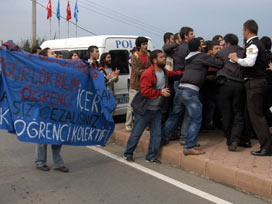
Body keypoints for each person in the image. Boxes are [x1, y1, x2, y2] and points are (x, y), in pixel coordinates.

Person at [162, 38, 223, 155]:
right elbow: (219, 64)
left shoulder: (188, 57)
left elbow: (195, 71)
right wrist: (218, 54)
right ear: (199, 48)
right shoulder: (202, 56)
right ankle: (189, 146)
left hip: (181, 88)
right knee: (196, 119)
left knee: (174, 115)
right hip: (191, 91)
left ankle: (162, 138)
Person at [124, 50, 183, 163]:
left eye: (164, 57)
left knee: (156, 135)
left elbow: (174, 74)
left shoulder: (164, 72)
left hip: (156, 110)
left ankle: (151, 156)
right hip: (144, 109)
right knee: (137, 133)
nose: (164, 59)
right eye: (162, 57)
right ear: (155, 60)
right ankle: (128, 154)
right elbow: (145, 91)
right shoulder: (148, 74)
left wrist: (187, 72)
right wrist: (160, 93)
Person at [229, 19, 272, 156]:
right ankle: (266, 145)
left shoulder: (253, 44)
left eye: (243, 30)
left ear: (247, 30)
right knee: (257, 114)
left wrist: (236, 59)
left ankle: (266, 147)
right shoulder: (257, 44)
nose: (242, 32)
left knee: (257, 116)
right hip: (258, 83)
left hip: (254, 83)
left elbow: (250, 62)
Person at [34, 48, 69, 172]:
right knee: (43, 135)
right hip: (44, 108)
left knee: (57, 135)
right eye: (52, 53)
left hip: (58, 108)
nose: (56, 55)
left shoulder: (60, 69)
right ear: (46, 57)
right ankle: (40, 162)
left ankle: (58, 163)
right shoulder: (40, 70)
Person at [216, 34, 247, 151]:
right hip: (239, 84)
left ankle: (229, 138)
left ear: (227, 42)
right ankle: (234, 140)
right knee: (238, 113)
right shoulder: (243, 52)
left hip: (225, 84)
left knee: (226, 113)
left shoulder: (222, 52)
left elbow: (216, 64)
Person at [125, 37, 151, 132]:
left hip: (145, 84)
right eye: (144, 44)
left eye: (146, 44)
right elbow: (137, 71)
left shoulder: (148, 55)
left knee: (145, 105)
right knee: (131, 105)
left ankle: (144, 123)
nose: (145, 46)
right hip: (135, 84)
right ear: (139, 45)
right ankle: (128, 124)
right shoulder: (134, 57)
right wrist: (149, 72)